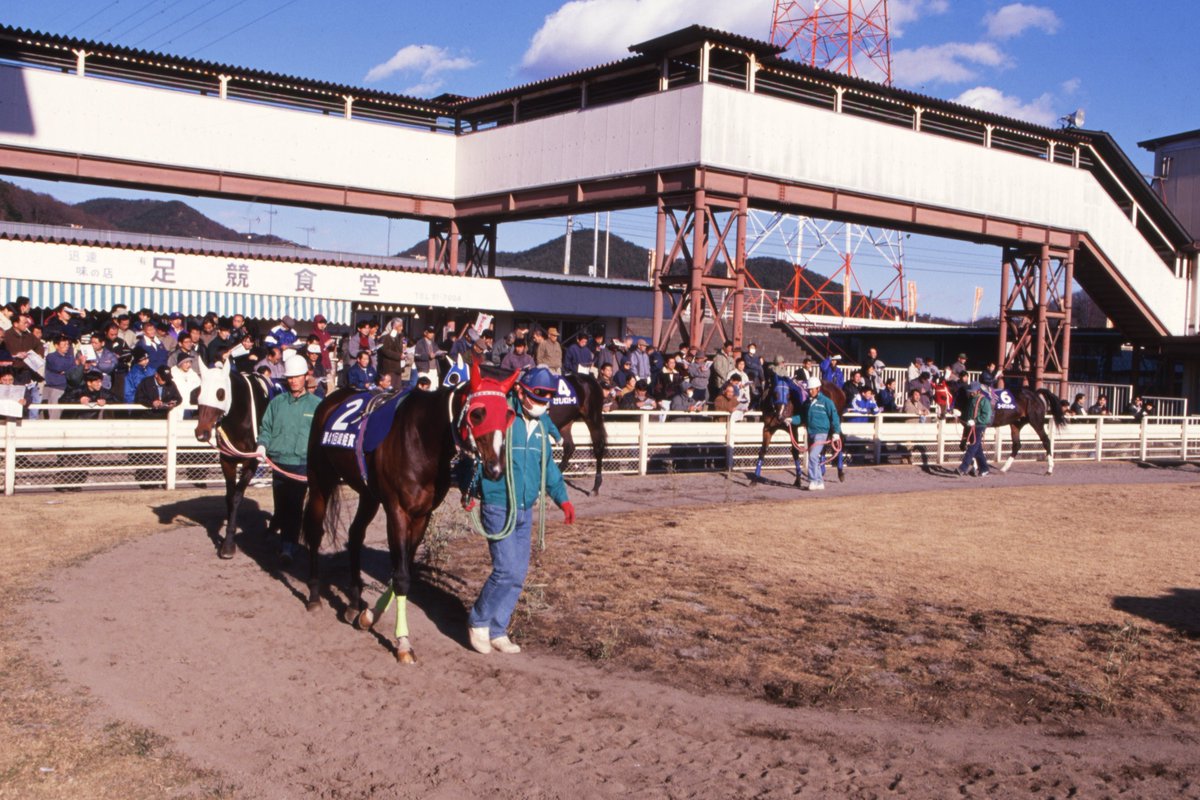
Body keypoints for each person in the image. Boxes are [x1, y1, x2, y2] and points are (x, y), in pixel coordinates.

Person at [465, 366, 574, 655]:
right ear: (521, 392)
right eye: (538, 395)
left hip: (526, 507)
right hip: (499, 503)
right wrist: (471, 489)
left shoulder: (540, 427)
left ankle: (498, 628)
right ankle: (478, 621)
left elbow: (547, 467)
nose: (542, 401)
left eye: (548, 396)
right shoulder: (503, 418)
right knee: (505, 569)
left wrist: (562, 499)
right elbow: (476, 451)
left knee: (519, 572)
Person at [255, 355, 320, 563]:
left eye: (297, 377)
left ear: (305, 377)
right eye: (290, 377)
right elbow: (266, 427)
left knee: (294, 505)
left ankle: (288, 546)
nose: (293, 381)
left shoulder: (317, 405)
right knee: (281, 505)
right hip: (279, 462)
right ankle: (284, 536)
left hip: (301, 464)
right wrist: (262, 445)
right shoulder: (277, 403)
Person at [790, 376, 841, 491]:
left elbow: (835, 417)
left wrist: (836, 432)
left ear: (818, 389)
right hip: (810, 433)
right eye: (809, 389)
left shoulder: (827, 402)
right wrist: (791, 420)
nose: (810, 391)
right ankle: (819, 482)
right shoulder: (807, 403)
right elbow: (801, 417)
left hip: (822, 433)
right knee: (814, 458)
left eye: (812, 389)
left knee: (812, 456)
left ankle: (813, 480)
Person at [956, 381, 993, 478]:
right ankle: (984, 468)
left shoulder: (984, 401)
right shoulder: (971, 399)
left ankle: (963, 468)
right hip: (970, 426)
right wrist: (958, 415)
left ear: (978, 391)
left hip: (979, 426)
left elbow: (987, 416)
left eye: (972, 391)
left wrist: (975, 421)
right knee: (977, 450)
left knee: (972, 447)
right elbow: (967, 413)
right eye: (970, 391)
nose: (971, 393)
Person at [376, 317, 407, 387]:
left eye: (402, 326)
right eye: (400, 326)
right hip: (389, 368)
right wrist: (399, 356)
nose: (401, 328)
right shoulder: (385, 337)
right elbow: (385, 350)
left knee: (397, 390)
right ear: (394, 326)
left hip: (398, 368)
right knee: (390, 389)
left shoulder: (399, 337)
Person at [413, 325, 445, 389]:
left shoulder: (434, 344)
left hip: (434, 370)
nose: (432, 334)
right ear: (425, 333)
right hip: (424, 371)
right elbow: (417, 356)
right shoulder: (420, 343)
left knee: (434, 389)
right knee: (424, 390)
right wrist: (428, 356)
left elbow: (437, 353)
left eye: (433, 332)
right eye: (430, 332)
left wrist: (441, 355)